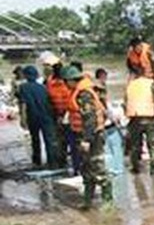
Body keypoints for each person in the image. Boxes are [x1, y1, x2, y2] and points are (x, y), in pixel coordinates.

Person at [62, 65, 111, 208]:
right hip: (82, 135)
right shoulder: (77, 91)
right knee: (86, 169)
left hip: (92, 136)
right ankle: (88, 201)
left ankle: (108, 201)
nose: (65, 85)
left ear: (71, 80)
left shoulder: (84, 94)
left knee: (98, 168)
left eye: (66, 81)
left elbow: (89, 118)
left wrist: (86, 140)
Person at [15, 65, 58, 168]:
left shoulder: (23, 87)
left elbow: (23, 104)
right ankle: (52, 163)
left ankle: (37, 161)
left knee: (35, 139)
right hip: (46, 117)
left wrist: (23, 119)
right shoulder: (43, 87)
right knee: (49, 140)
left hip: (33, 117)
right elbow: (49, 103)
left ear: (26, 75)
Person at [125, 65, 154, 174]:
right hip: (149, 116)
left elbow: (125, 101)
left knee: (135, 144)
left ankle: (135, 166)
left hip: (134, 118)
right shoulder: (150, 83)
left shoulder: (130, 85)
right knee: (153, 143)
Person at [43, 57, 73, 172]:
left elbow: (48, 99)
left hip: (55, 114)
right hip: (67, 113)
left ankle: (61, 161)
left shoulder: (49, 82)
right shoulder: (67, 83)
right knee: (70, 137)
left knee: (59, 139)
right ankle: (70, 160)